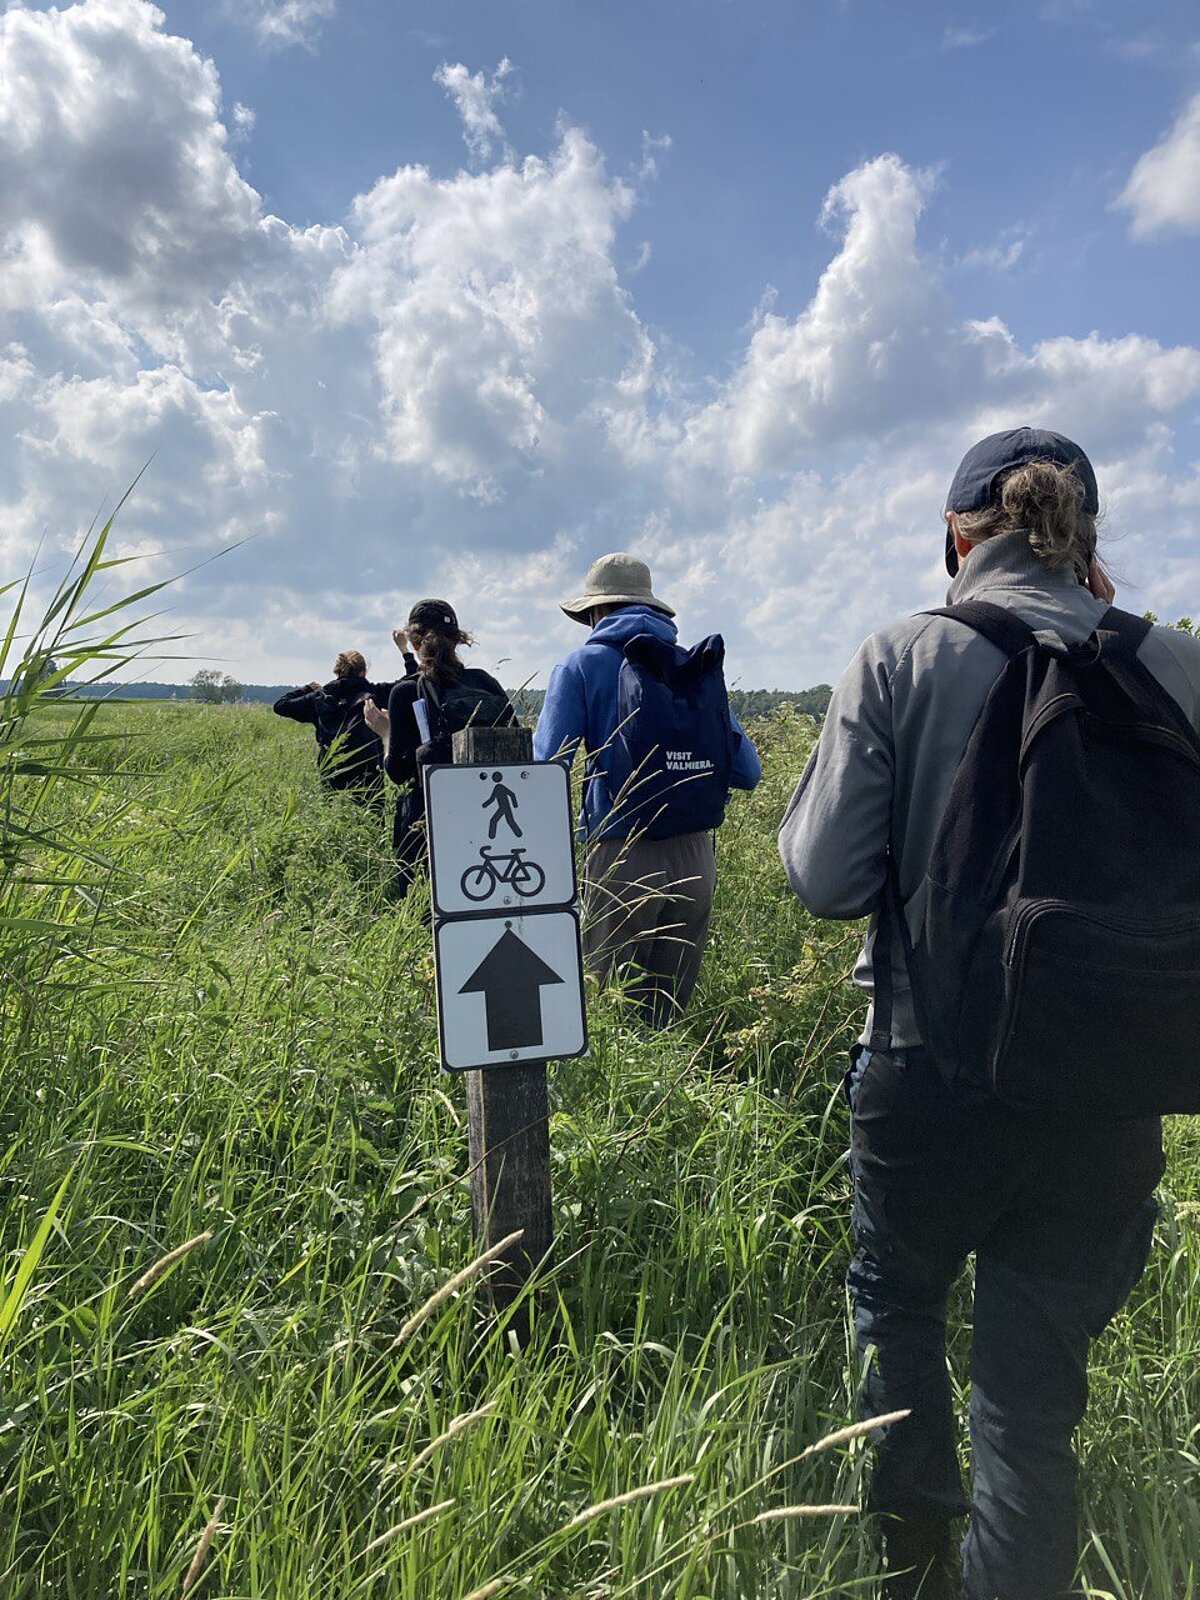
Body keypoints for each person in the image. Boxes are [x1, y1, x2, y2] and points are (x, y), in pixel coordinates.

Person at [777, 428, 1200, 1600]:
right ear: (1088, 538)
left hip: (929, 1069)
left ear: (958, 536)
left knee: (897, 1305)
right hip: (1109, 1085)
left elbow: (822, 880)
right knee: (1028, 1398)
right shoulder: (1171, 662)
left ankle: (913, 1572)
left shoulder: (903, 655)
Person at [534, 552, 761, 1027]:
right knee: (666, 1018)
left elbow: (544, 769)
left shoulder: (580, 666)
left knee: (605, 1012)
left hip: (621, 854)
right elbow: (748, 772)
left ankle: (608, 1106)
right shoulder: (689, 666)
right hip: (696, 860)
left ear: (595, 612)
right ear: (655, 611)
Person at [364, 600, 515, 898]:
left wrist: (385, 732)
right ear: (458, 639)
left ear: (414, 641)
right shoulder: (485, 682)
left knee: (429, 910)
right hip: (488, 821)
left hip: (428, 821)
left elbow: (398, 773)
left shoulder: (406, 691)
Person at [273, 647, 409, 804]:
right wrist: (405, 651)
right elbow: (409, 683)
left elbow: (281, 705)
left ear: (337, 672)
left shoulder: (319, 698)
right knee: (372, 821)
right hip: (368, 773)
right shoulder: (376, 694)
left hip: (332, 772)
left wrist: (308, 688)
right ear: (364, 671)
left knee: (333, 818)